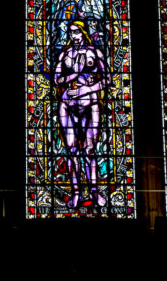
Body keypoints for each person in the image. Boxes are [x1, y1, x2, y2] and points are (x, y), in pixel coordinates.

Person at [55, 20, 110, 209]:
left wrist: (85, 90)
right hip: (67, 105)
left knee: (89, 150)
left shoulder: (95, 53)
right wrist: (73, 75)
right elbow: (57, 79)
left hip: (90, 103)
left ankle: (94, 191)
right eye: (71, 33)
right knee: (71, 150)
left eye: (77, 32)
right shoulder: (64, 54)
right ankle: (76, 192)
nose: (73, 36)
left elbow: (107, 79)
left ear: (84, 32)